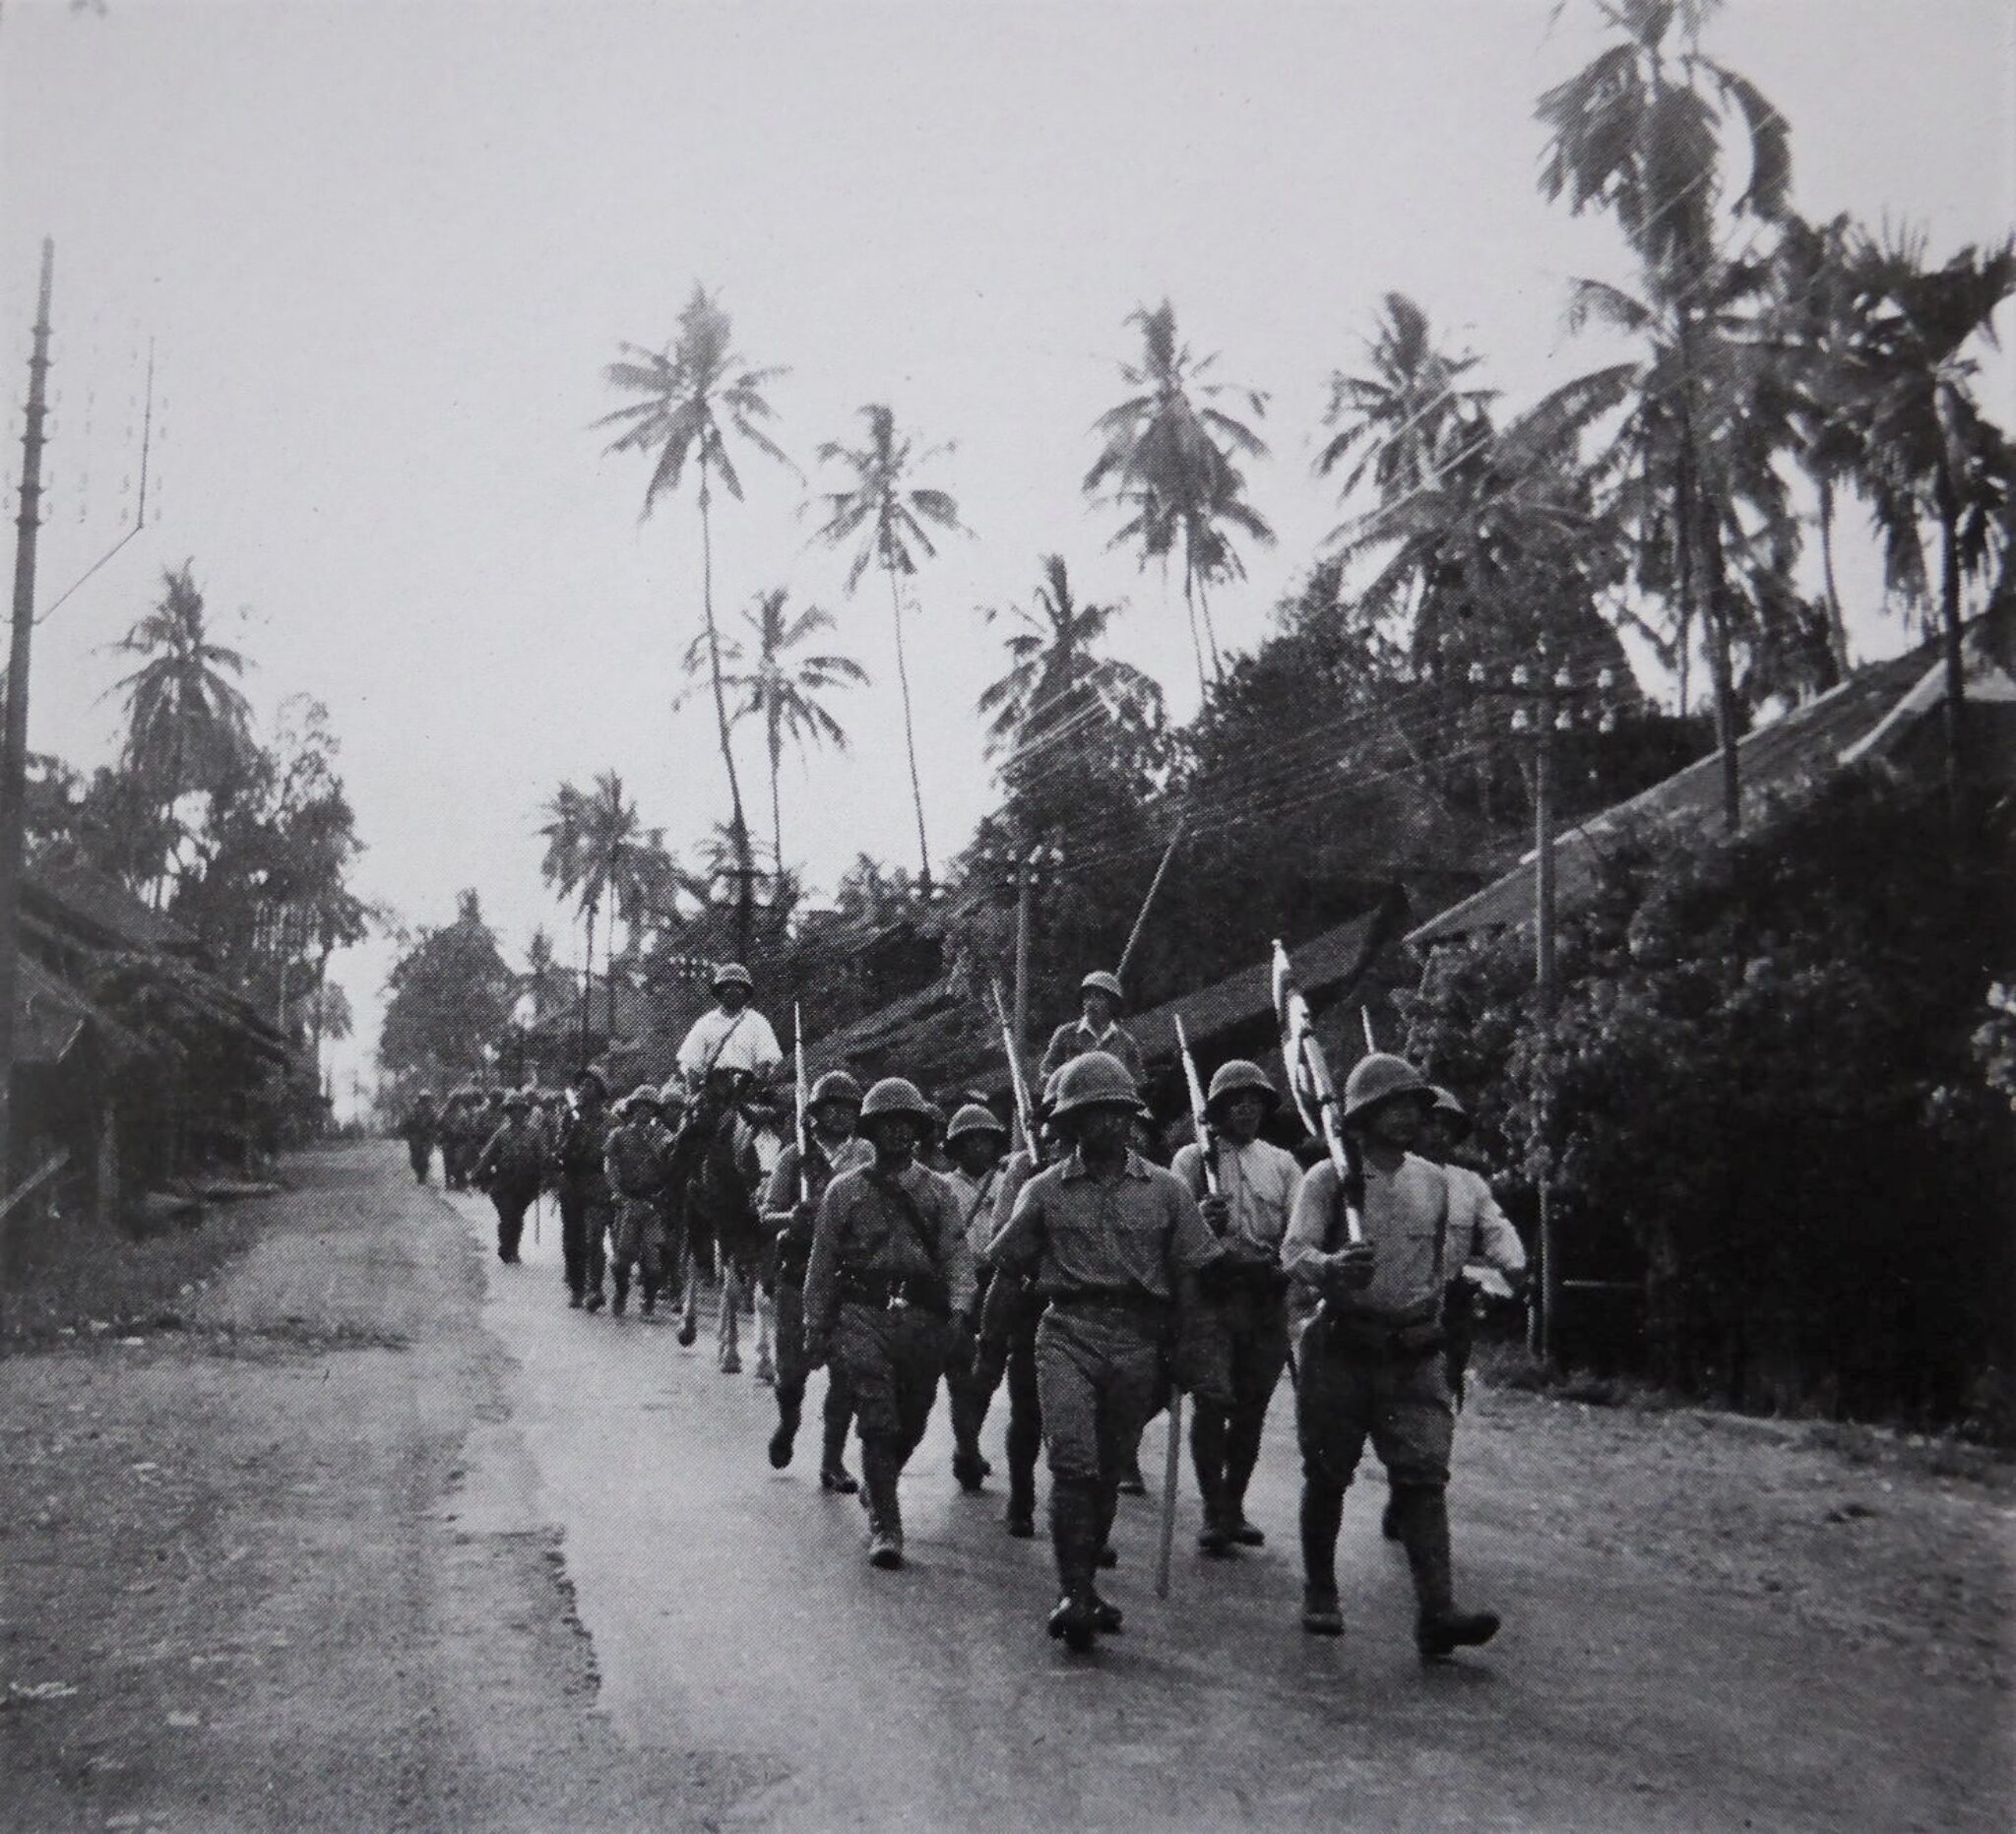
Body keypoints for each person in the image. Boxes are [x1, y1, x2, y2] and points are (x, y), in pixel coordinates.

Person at [985, 1050, 1222, 1652]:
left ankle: (1086, 1585)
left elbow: (1193, 1276)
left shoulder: (1168, 1191)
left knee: (1109, 1471)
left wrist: (1193, 1349)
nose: (1109, 1126)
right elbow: (1007, 1271)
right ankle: (1072, 1589)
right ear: (1069, 1124)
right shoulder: (1042, 1192)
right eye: (1093, 1115)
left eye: (1118, 1113)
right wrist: (988, 1346)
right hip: (1067, 1332)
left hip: (1139, 1340)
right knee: (1073, 1464)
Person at [1282, 1052, 1514, 1657]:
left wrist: (1436, 1322)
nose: (1410, 1117)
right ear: (1364, 1115)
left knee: (1423, 1479)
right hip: (1343, 1345)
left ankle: (1437, 1609)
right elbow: (1294, 1251)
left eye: (1417, 1105)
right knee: (1328, 1471)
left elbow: (1436, 1266)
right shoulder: (1330, 1180)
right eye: (1396, 1106)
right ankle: (1321, 1589)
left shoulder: (1435, 1182)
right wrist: (1330, 1267)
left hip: (1412, 1348)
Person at [803, 1077, 976, 1570]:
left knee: (914, 1419)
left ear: (919, 1131)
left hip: (923, 1320)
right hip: (863, 1317)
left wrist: (961, 1312)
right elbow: (822, 1263)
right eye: (887, 1125)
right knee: (877, 1420)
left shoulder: (938, 1192)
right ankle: (887, 1523)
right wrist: (817, 1325)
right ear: (871, 1131)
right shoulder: (845, 1191)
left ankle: (879, 1488)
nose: (898, 1133)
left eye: (907, 1125)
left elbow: (956, 1256)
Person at [1170, 1059, 1301, 1555]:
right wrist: (1201, 1217)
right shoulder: (1191, 1161)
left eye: (1255, 1101)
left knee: (1250, 1411)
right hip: (1213, 1296)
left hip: (1264, 1296)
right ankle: (1211, 1508)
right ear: (1217, 1109)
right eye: (1235, 1101)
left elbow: (1297, 1233)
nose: (1246, 1109)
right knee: (1212, 1401)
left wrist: (1282, 1273)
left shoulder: (1284, 1164)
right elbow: (1175, 1232)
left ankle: (1234, 1505)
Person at [760, 1070, 872, 1489]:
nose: (841, 1115)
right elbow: (767, 1214)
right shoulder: (795, 1156)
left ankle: (832, 1461)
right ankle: (788, 1424)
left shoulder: (867, 1155)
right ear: (817, 1112)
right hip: (799, 1273)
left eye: (848, 1107)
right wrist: (793, 1216)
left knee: (846, 1374)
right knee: (792, 1374)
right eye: (833, 1107)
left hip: (850, 1276)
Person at [940, 1104, 1009, 1492]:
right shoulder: (944, 1186)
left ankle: (969, 1441)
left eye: (986, 1139)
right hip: (958, 1279)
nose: (979, 1147)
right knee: (960, 1371)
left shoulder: (1007, 1182)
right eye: (970, 1140)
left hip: (997, 1278)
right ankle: (966, 1447)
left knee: (989, 1370)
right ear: (957, 1146)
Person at [604, 1085, 674, 1318]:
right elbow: (610, 1165)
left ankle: (649, 1300)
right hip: (628, 1201)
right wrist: (615, 1191)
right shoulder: (619, 1135)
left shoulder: (664, 1136)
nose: (644, 1112)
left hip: (654, 1203)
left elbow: (673, 1166)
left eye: (650, 1108)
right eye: (639, 1108)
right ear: (632, 1109)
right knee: (622, 1257)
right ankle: (622, 1293)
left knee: (654, 1259)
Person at [552, 1069, 615, 1311]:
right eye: (580, 1086)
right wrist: (573, 1134)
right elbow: (559, 1150)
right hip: (572, 1181)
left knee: (594, 1237)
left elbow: (615, 1153)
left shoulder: (611, 1121)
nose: (582, 1089)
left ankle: (595, 1288)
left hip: (597, 1181)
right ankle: (577, 1288)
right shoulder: (569, 1117)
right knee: (573, 1238)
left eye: (589, 1085)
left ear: (599, 1090)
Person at [675, 963, 784, 1091]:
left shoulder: (758, 1022)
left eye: (738, 987)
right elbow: (692, 1064)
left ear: (746, 992)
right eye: (726, 987)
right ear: (719, 992)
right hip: (713, 1094)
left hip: (747, 1090)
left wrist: (754, 1089)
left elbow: (766, 1061)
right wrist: (694, 1094)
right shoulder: (705, 1024)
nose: (732, 992)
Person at [472, 1089, 544, 1264]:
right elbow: (487, 1156)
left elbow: (542, 1157)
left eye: (520, 1109)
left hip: (526, 1183)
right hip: (503, 1182)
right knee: (507, 1214)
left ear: (525, 1112)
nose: (517, 1113)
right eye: (513, 1109)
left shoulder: (534, 1133)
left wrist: (545, 1177)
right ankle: (506, 1247)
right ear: (509, 1111)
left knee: (517, 1216)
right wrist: (478, 1174)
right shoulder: (501, 1134)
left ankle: (514, 1248)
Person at [1039, 971, 1146, 1087]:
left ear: (1112, 1004)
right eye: (1087, 997)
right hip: (1073, 1101)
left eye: (1098, 997)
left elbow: (1139, 1080)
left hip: (1112, 1102)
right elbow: (1047, 1070)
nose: (1090, 1003)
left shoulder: (1126, 1042)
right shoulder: (1066, 1034)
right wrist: (1062, 1080)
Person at [399, 1091, 437, 1184]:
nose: (425, 1101)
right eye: (423, 1099)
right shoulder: (414, 1110)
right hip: (415, 1138)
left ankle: (422, 1175)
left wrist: (433, 1134)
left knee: (424, 1156)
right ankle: (419, 1172)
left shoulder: (432, 1111)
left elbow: (436, 1124)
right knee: (415, 1159)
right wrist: (405, 1131)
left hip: (427, 1137)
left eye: (427, 1099)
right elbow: (407, 1122)